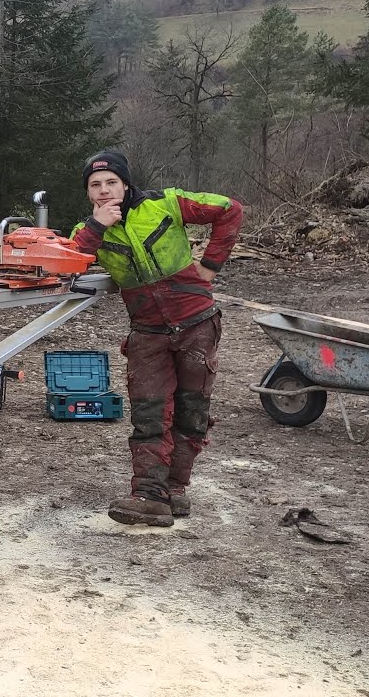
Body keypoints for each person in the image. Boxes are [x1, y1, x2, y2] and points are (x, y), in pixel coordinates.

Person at [71, 151, 243, 527]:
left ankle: (174, 490)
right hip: (147, 332)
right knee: (149, 414)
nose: (104, 190)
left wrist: (210, 265)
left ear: (126, 183)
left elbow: (229, 209)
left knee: (192, 411)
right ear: (88, 193)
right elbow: (70, 261)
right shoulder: (87, 230)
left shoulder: (165, 203)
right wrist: (97, 226)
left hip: (197, 323)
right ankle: (148, 494)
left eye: (111, 182)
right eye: (95, 185)